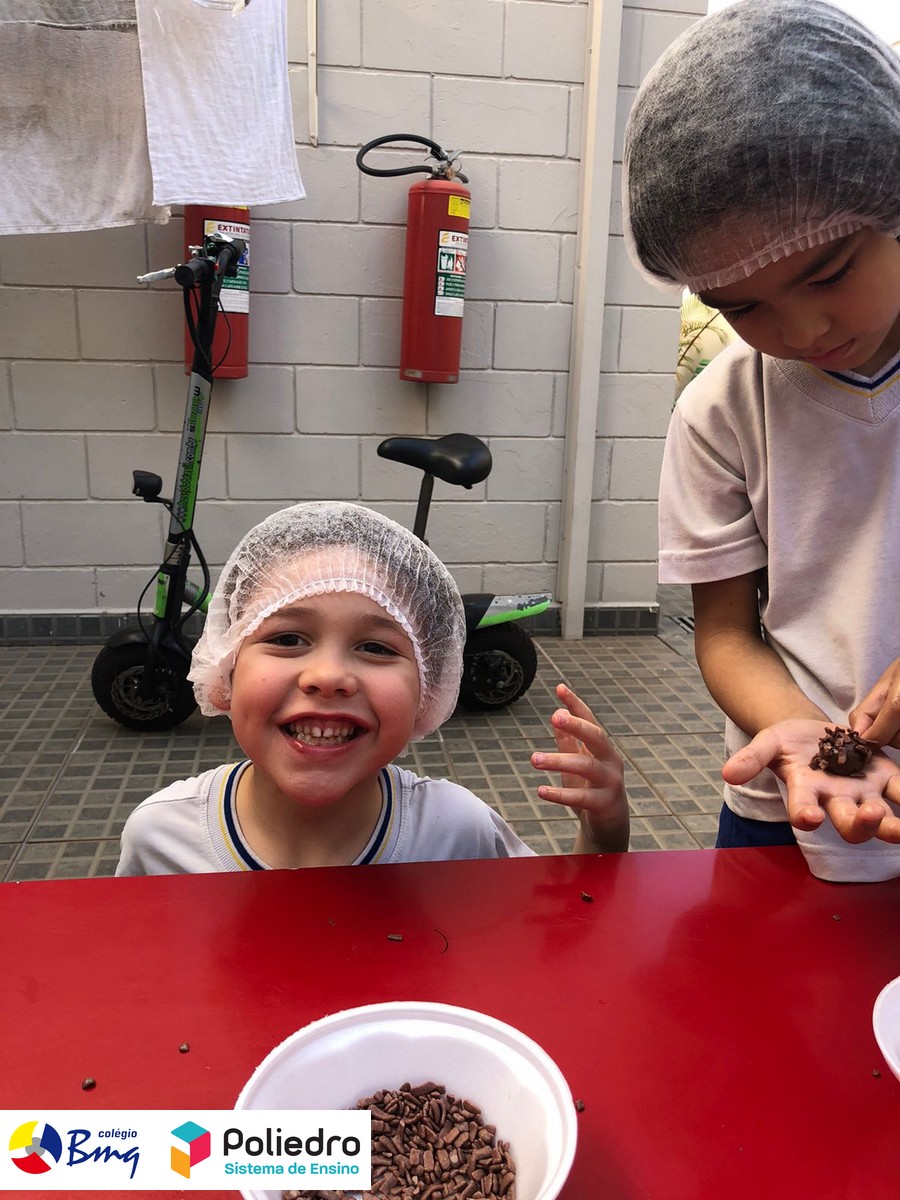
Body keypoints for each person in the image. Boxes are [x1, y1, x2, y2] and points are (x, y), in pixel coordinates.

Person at [623, 0, 900, 882]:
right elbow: (727, 634)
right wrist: (798, 734)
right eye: (742, 305)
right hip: (788, 795)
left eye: (829, 272)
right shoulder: (721, 409)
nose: (804, 329)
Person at [116, 501, 628, 875]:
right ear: (225, 669)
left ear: (428, 688)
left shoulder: (456, 831)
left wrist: (601, 836)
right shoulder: (161, 838)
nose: (329, 676)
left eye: (376, 648)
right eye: (288, 638)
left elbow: (553, 927)